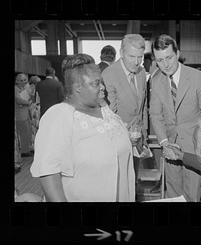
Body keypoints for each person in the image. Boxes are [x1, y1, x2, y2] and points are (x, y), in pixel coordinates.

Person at [30, 54, 135, 202]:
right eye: (96, 83)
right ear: (77, 87)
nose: (102, 87)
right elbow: (49, 173)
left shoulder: (104, 109)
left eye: (102, 82)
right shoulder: (59, 116)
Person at [149, 34, 201, 202]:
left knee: (195, 194)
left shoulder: (197, 77)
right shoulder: (156, 80)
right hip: (170, 147)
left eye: (169, 58)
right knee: (173, 194)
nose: (165, 64)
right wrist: (164, 143)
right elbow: (156, 114)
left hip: (194, 148)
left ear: (178, 54)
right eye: (159, 60)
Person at [102, 34, 148, 189]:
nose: (136, 62)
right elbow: (109, 113)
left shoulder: (141, 72)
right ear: (121, 53)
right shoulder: (109, 74)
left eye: (140, 57)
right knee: (119, 184)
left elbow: (142, 107)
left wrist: (144, 132)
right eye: (131, 56)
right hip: (118, 138)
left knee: (133, 180)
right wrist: (125, 133)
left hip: (138, 137)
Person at [15, 73, 33, 157]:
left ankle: (28, 149)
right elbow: (18, 100)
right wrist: (27, 103)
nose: (24, 82)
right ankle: (24, 152)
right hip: (20, 115)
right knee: (22, 134)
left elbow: (30, 97)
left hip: (26, 114)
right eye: (21, 80)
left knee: (28, 132)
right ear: (17, 81)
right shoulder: (15, 89)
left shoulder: (25, 88)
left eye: (25, 80)